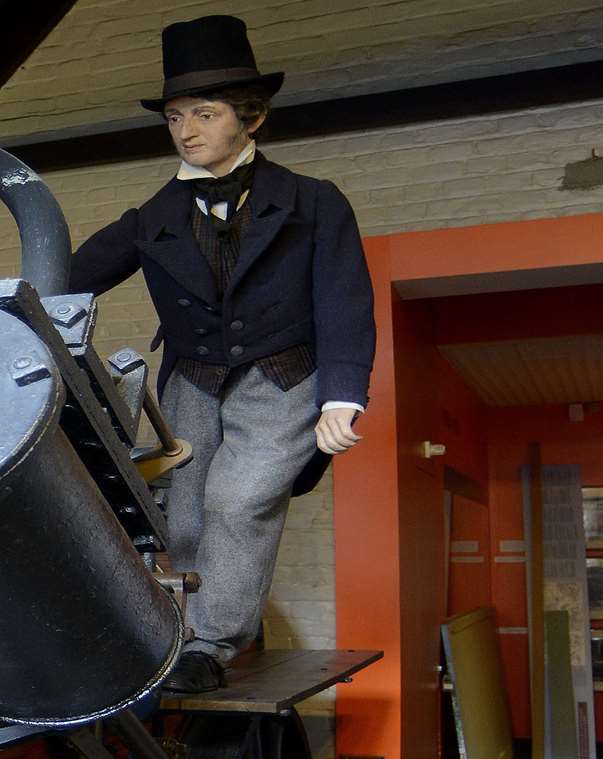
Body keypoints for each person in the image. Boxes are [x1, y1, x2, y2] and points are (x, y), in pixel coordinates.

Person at [69, 15, 374, 692]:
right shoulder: (154, 217)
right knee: (183, 511)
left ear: (252, 116)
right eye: (176, 116)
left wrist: (343, 395)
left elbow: (345, 301)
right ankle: (174, 637)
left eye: (205, 113)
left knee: (239, 502)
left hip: (284, 375)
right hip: (194, 381)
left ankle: (214, 644)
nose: (187, 130)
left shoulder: (314, 204)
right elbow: (65, 278)